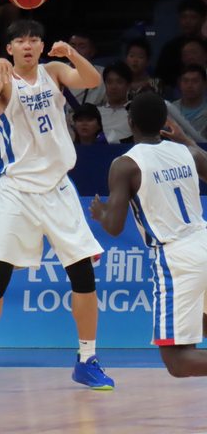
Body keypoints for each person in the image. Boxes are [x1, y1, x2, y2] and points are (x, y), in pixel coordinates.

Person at [0, 19, 115, 390]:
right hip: (18, 191)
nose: (27, 45)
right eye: (20, 40)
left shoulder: (53, 71)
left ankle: (87, 360)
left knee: (83, 275)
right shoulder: (4, 80)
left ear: (41, 46)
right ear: (10, 48)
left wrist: (72, 54)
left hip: (58, 188)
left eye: (34, 39)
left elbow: (91, 80)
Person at [90, 91, 207, 378]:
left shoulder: (126, 164)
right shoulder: (187, 152)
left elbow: (114, 227)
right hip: (202, 238)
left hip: (177, 256)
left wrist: (100, 213)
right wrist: (187, 140)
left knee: (177, 360)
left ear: (130, 122)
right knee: (201, 323)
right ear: (165, 122)